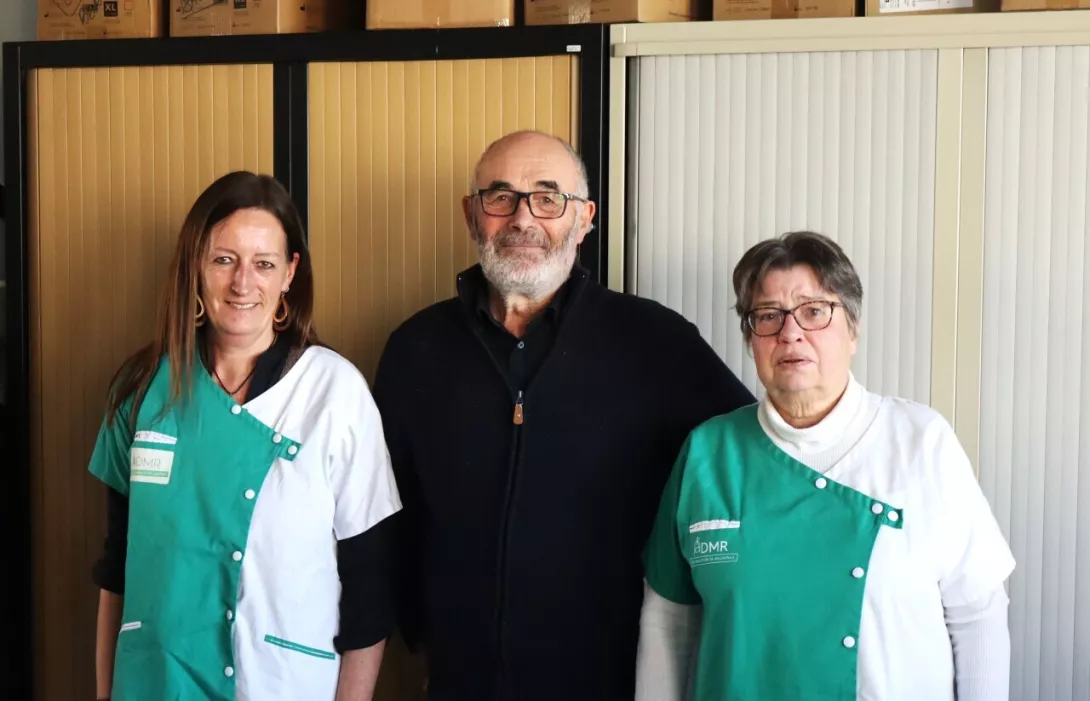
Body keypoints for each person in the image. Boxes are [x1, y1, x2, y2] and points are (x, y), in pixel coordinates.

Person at [371, 130, 755, 701]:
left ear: (584, 220)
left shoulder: (657, 342)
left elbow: (745, 464)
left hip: (613, 681)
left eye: (548, 199)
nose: (523, 218)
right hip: (460, 681)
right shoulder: (414, 349)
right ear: (472, 216)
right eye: (500, 197)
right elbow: (384, 515)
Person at [636, 230, 1016, 701]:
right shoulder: (708, 454)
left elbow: (977, 613)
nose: (790, 332)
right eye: (768, 316)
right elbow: (668, 620)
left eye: (814, 311)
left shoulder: (920, 441)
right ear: (752, 338)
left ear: (852, 329)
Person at [88, 171, 401, 701]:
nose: (242, 283)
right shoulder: (140, 390)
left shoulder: (334, 393)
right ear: (195, 269)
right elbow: (118, 565)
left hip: (281, 684)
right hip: (155, 682)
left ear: (289, 274)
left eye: (263, 264)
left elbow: (370, 588)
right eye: (223, 259)